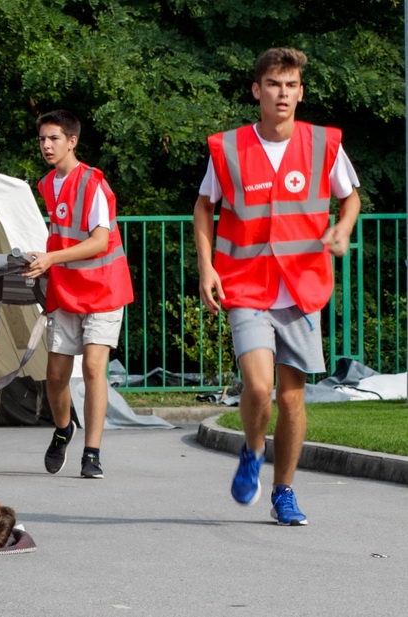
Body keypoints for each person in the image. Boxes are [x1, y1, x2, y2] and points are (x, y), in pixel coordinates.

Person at [193, 48, 360, 526]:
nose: (282, 93)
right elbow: (204, 207)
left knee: (291, 399)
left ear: (300, 93)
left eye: (290, 85)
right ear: (257, 91)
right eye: (273, 84)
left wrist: (343, 228)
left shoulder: (324, 143)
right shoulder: (228, 148)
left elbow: (350, 198)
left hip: (302, 287)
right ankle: (251, 450)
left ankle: (284, 491)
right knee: (259, 386)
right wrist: (207, 267)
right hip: (245, 285)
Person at [23, 110, 134, 479]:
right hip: (67, 289)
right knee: (55, 376)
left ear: (72, 141)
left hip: (104, 288)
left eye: (53, 138)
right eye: (42, 139)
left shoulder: (94, 184)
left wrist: (51, 258)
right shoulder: (46, 185)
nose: (46, 145)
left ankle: (92, 453)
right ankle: (63, 429)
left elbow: (100, 241)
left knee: (91, 367)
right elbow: (63, 236)